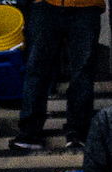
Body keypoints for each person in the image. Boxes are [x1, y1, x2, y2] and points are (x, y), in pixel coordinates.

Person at [12, 0, 104, 153]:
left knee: (83, 71)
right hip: (45, 5)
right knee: (37, 68)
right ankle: (29, 132)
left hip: (87, 6)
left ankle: (78, 132)